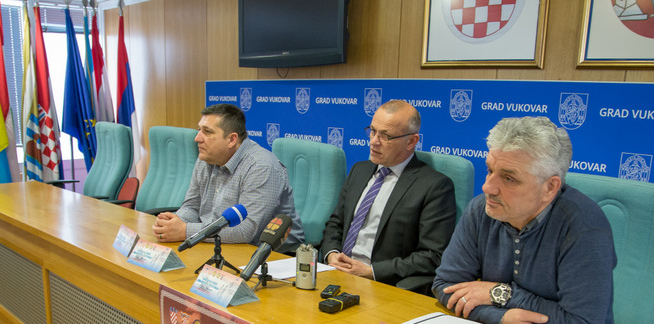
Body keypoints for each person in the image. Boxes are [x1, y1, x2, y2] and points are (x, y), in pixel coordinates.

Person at [432, 116, 617, 324]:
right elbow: (446, 285)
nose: (487, 187)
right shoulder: (481, 210)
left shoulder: (584, 227)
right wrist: (501, 318)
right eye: (490, 170)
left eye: (509, 178)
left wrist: (501, 294)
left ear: (550, 187)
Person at [320, 100, 456, 287]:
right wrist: (332, 254)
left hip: (382, 283)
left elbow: (432, 256)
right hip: (336, 272)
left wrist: (372, 271)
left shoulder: (435, 186)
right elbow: (336, 223)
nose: (373, 141)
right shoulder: (359, 170)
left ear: (411, 141)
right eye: (372, 131)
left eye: (385, 136)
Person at [152, 104, 304, 251]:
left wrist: (185, 230)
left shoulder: (261, 166)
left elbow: (247, 230)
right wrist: (173, 223)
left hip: (271, 254)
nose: (197, 138)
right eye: (199, 130)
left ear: (231, 140)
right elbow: (192, 206)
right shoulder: (206, 158)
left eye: (207, 132)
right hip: (219, 243)